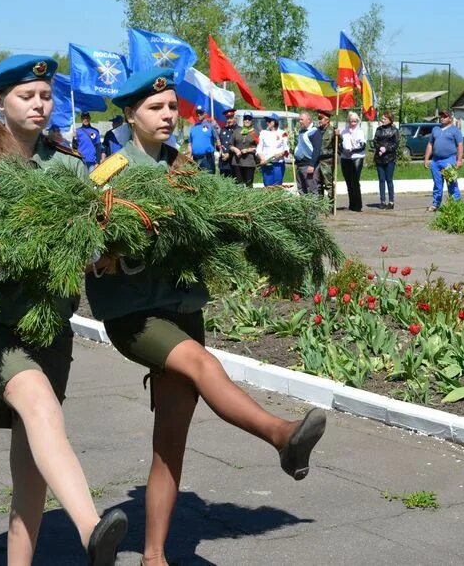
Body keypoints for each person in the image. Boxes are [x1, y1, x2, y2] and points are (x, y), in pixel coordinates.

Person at [86, 68, 327, 565]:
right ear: (131, 114)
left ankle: (154, 557)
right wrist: (107, 248)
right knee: (201, 365)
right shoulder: (108, 173)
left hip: (182, 307)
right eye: (156, 108)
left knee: (170, 442)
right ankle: (281, 436)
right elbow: (86, 241)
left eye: (172, 107)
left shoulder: (186, 168)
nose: (168, 115)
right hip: (135, 313)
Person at [0, 55, 126, 566]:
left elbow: (88, 246)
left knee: (30, 467)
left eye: (45, 95)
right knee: (39, 403)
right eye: (27, 96)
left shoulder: (68, 165)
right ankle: (93, 530)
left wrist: (106, 246)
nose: (40, 104)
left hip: (48, 325)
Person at [422, 109, 463, 211]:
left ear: (450, 118)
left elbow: (460, 145)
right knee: (437, 184)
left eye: (445, 116)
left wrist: (459, 160)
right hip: (435, 161)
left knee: (451, 183)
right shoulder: (435, 129)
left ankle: (455, 204)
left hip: (449, 159)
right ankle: (436, 204)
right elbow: (430, 144)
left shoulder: (455, 130)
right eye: (441, 116)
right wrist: (426, 159)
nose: (442, 118)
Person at [339, 111, 367, 212]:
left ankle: (358, 205)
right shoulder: (344, 131)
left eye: (355, 121)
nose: (353, 123)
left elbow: (363, 146)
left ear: (357, 121)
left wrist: (352, 151)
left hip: (357, 157)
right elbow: (340, 144)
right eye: (351, 121)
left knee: (355, 181)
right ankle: (351, 203)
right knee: (348, 182)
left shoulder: (360, 131)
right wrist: (343, 150)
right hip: (345, 158)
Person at [372, 111, 399, 209]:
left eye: (384, 119)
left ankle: (391, 202)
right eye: (382, 118)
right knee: (381, 180)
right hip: (379, 158)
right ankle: (382, 201)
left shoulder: (394, 130)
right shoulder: (378, 130)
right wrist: (379, 148)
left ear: (390, 120)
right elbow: (375, 141)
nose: (382, 120)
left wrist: (386, 149)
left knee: (389, 180)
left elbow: (396, 144)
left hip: (390, 158)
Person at [293, 111, 322, 196]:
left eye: (302, 119)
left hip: (308, 165)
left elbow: (317, 149)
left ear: (309, 120)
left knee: (311, 189)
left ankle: (313, 209)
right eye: (299, 120)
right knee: (301, 189)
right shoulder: (301, 131)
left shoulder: (314, 131)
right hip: (299, 165)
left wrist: (312, 165)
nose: (300, 121)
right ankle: (305, 209)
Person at [256, 112, 288, 187]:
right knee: (268, 186)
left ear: (275, 122)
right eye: (266, 121)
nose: (267, 122)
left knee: (277, 186)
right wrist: (262, 159)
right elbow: (259, 148)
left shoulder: (283, 133)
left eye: (269, 121)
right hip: (267, 164)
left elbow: (287, 148)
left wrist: (281, 154)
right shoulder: (263, 133)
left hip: (278, 164)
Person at [230, 111, 258, 187]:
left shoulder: (254, 132)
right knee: (238, 185)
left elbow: (259, 148)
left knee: (248, 185)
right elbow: (230, 145)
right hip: (237, 162)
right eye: (245, 118)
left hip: (249, 162)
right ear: (243, 120)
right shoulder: (237, 131)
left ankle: (249, 199)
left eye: (249, 119)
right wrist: (235, 150)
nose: (247, 120)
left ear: (252, 121)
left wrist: (248, 150)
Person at [187, 108, 218, 174]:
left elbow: (218, 140)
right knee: (197, 180)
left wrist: (215, 126)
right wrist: (189, 156)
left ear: (205, 114)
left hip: (207, 159)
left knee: (209, 179)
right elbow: (190, 143)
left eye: (201, 113)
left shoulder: (211, 125)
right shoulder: (194, 128)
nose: (199, 114)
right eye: (197, 113)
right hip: (195, 159)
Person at [315, 111, 336, 206]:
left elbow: (338, 146)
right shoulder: (316, 130)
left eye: (321, 118)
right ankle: (320, 205)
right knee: (318, 184)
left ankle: (331, 205)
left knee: (329, 184)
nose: (319, 120)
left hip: (327, 162)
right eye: (318, 118)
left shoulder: (333, 131)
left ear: (327, 120)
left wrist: (339, 136)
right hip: (316, 161)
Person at [217, 108, 238, 179]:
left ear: (235, 118)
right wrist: (217, 145)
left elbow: (240, 146)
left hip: (234, 162)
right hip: (223, 163)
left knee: (234, 184)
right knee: (223, 185)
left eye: (231, 118)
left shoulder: (239, 130)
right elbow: (219, 146)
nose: (229, 120)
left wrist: (229, 155)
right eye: (227, 118)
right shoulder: (223, 130)